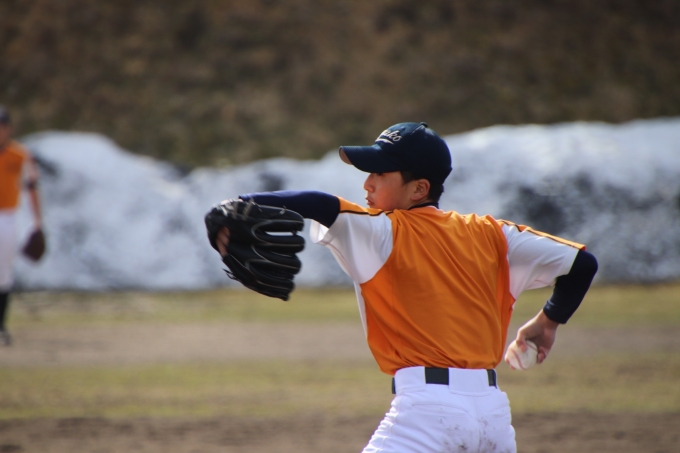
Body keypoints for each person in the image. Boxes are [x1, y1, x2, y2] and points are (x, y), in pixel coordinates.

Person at [214, 122, 598, 452]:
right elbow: (582, 265)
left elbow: (321, 203)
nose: (367, 184)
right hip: (493, 417)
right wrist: (547, 322)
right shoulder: (494, 235)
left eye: (380, 174)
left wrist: (238, 206)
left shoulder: (383, 231)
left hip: (428, 417)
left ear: (418, 189)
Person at [0, 105, 44, 346]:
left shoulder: (20, 155)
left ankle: (0, 326)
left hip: (7, 216)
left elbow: (31, 187)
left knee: (4, 273)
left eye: (2, 126)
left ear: (9, 129)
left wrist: (38, 222)